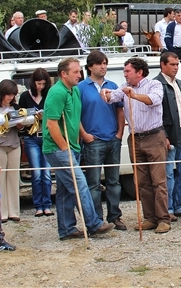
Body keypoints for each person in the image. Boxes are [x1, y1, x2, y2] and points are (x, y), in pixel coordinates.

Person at [45, 58, 114, 239]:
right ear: (63, 74)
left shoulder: (74, 90)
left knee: (65, 190)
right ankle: (94, 223)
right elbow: (51, 124)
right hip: (57, 148)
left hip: (73, 146)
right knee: (80, 184)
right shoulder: (57, 93)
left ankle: (67, 229)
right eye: (75, 72)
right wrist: (64, 147)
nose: (79, 75)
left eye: (79, 71)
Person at [101, 57, 171, 233]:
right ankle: (150, 218)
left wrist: (134, 95)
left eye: (127, 71)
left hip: (154, 137)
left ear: (139, 72)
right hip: (135, 138)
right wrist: (106, 93)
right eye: (124, 72)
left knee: (158, 181)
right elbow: (111, 97)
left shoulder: (154, 85)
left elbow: (153, 100)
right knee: (142, 182)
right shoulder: (125, 88)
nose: (125, 75)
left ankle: (164, 218)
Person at [79, 51, 125, 229]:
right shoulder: (81, 88)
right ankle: (96, 219)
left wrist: (120, 133)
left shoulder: (113, 85)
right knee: (94, 183)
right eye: (99, 63)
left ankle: (115, 216)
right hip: (93, 140)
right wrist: (84, 135)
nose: (103, 66)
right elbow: (76, 115)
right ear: (90, 66)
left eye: (105, 63)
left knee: (114, 181)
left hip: (113, 138)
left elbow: (120, 110)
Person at [154, 52, 181, 220]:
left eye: (177, 64)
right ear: (163, 65)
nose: (176, 67)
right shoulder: (157, 84)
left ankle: (180, 205)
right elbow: (156, 114)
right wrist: (163, 135)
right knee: (168, 173)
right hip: (169, 134)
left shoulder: (179, 83)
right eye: (172, 64)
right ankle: (169, 209)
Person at [17, 68, 53, 217]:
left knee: (47, 173)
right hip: (31, 138)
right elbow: (19, 118)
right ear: (33, 83)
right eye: (38, 83)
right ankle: (38, 205)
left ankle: (48, 204)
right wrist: (32, 118)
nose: (41, 87)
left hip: (46, 136)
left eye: (43, 84)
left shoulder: (49, 95)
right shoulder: (25, 96)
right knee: (36, 173)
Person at [0, 80, 28, 222]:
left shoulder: (16, 107)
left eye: (13, 95)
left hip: (14, 144)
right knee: (0, 178)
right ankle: (2, 212)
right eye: (8, 94)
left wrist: (20, 125)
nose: (10, 97)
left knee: (14, 177)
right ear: (1, 93)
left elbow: (23, 128)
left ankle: (14, 211)